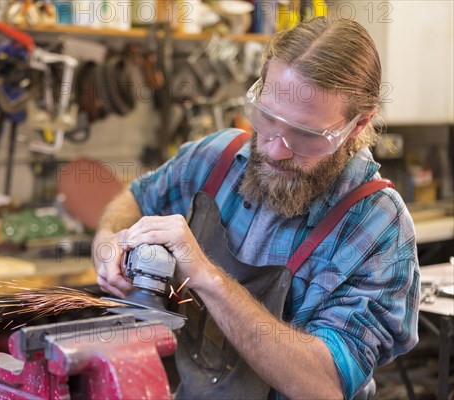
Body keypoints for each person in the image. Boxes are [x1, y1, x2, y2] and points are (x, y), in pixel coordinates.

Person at [92, 17, 419, 399]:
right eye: (267, 118)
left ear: (358, 123)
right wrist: (108, 243)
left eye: (307, 135)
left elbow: (324, 385)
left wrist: (207, 277)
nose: (276, 149)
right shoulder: (215, 158)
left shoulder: (379, 227)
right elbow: (133, 198)